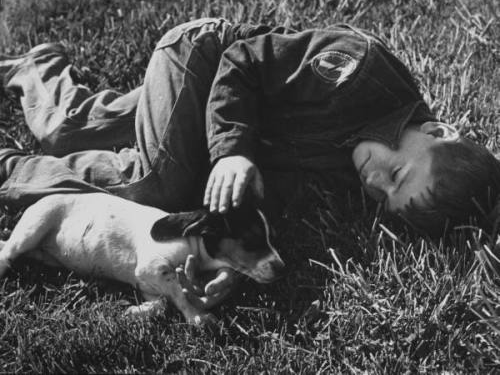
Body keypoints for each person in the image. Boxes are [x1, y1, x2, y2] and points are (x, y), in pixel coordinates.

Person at [0, 18, 499, 309]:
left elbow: (270, 196)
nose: (373, 181)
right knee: (157, 186)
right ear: (437, 132)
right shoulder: (358, 71)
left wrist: (236, 262)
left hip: (212, 119)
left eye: (383, 198)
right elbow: (242, 60)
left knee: (67, 130)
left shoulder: (366, 162)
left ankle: (37, 67)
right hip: (203, 61)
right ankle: (10, 169)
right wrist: (232, 151)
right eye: (395, 175)